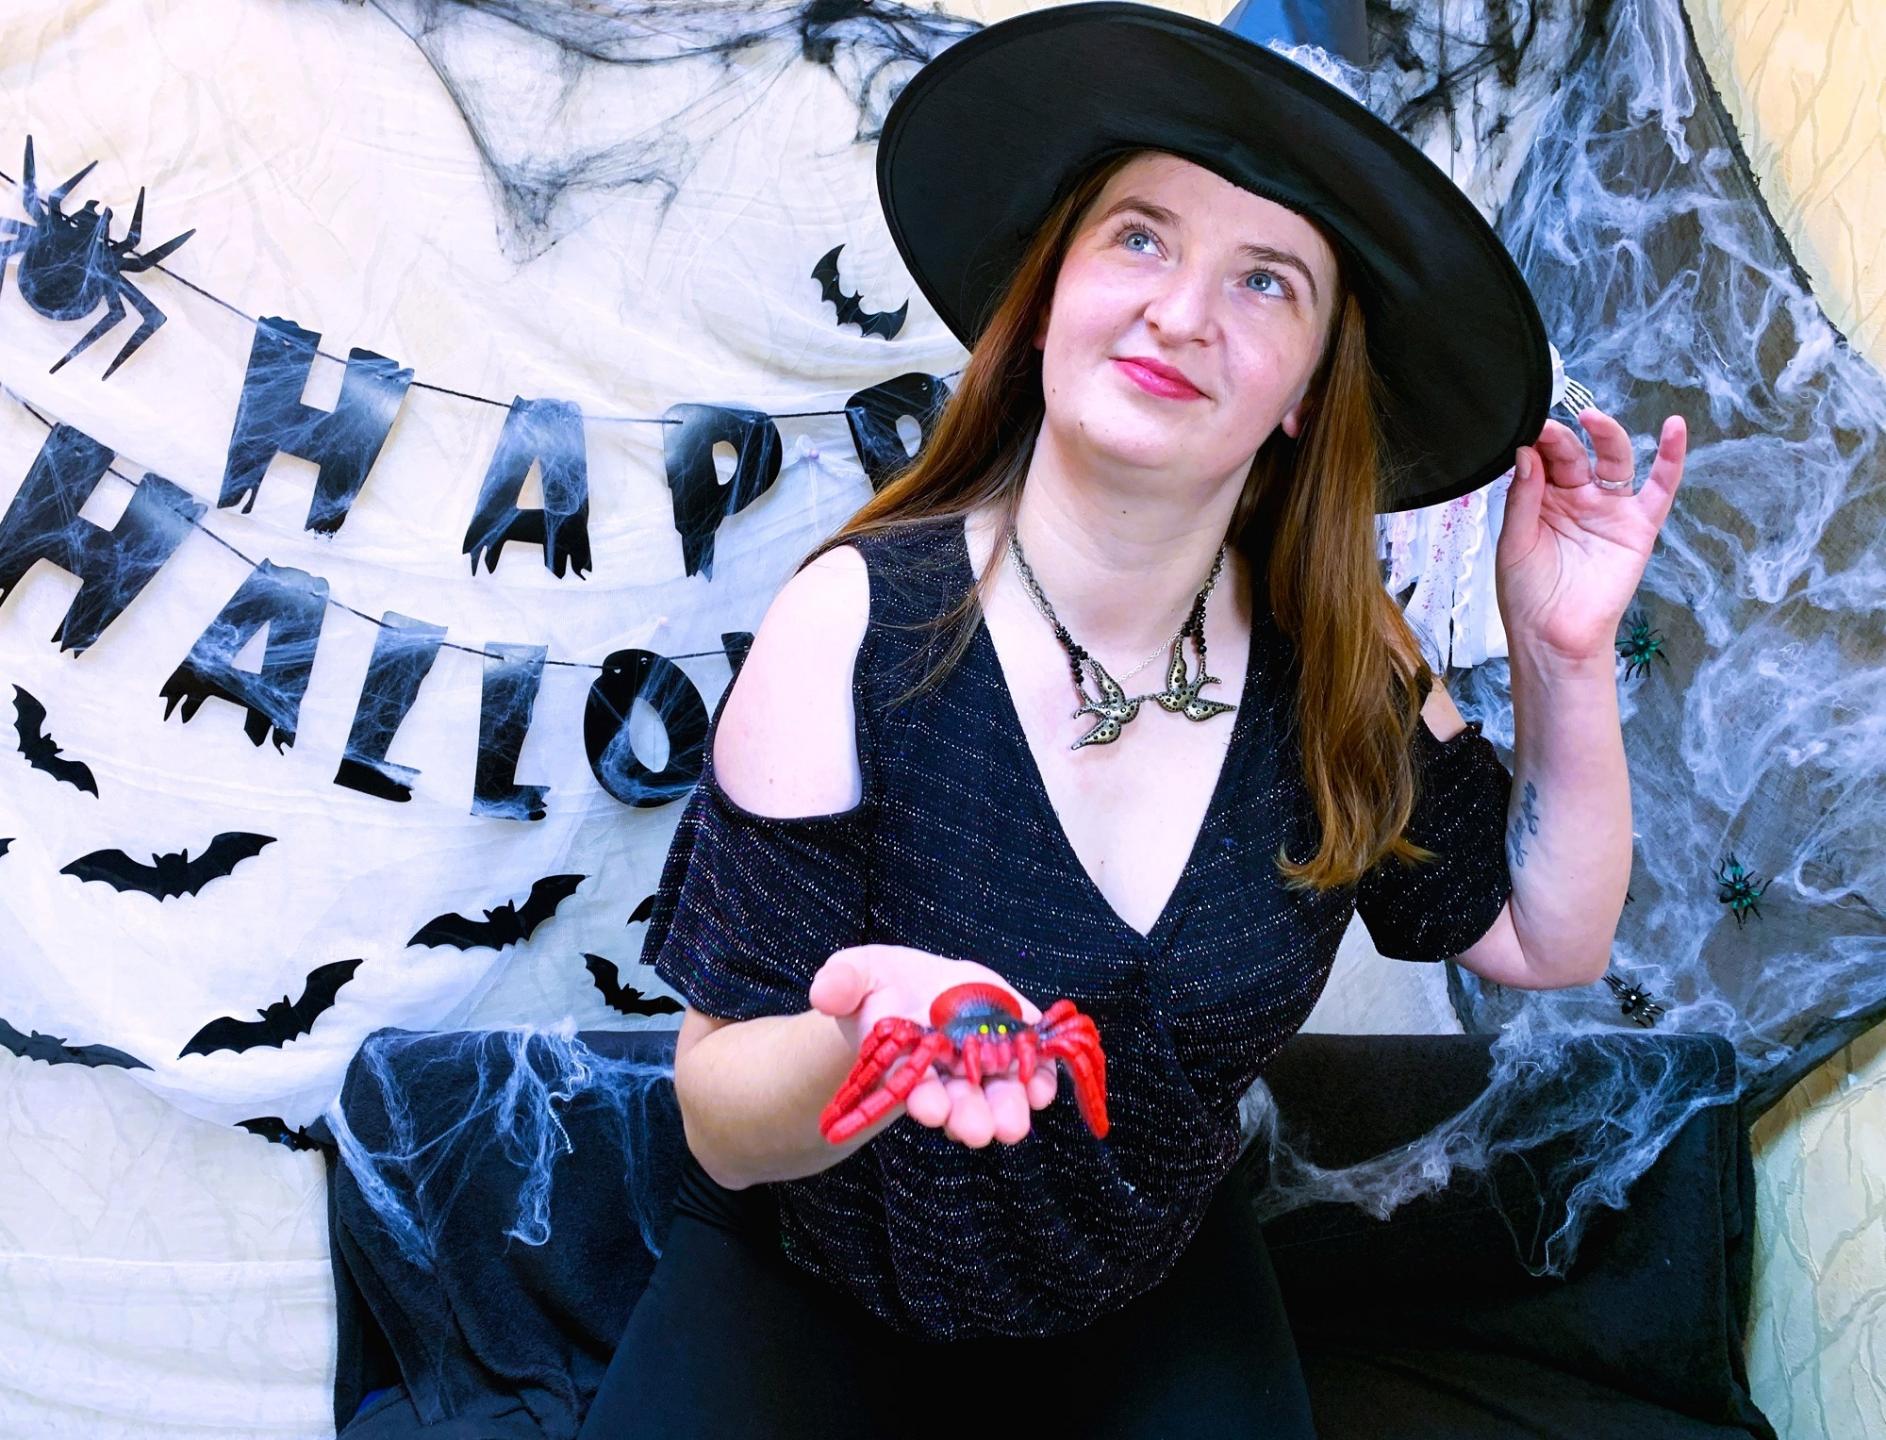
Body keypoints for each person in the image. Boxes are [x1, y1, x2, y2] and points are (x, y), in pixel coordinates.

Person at [577, 5, 1689, 1437]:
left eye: (1267, 282)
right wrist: (868, 1037)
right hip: (816, 1275)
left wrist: (1561, 653)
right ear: (1049, 295)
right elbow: (723, 1128)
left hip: (1141, 1275)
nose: (1181, 313)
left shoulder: (1343, 659)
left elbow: (1546, 938)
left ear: (1306, 395)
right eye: (1142, 238)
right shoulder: (852, 624)